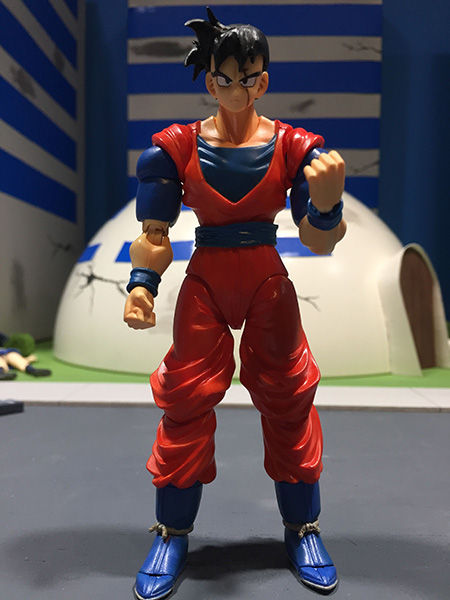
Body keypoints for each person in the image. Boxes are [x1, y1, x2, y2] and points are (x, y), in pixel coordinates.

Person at [124, 8, 346, 600]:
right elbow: (153, 233)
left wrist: (326, 207)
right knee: (185, 401)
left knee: (289, 397)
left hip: (267, 279)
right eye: (226, 78)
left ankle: (303, 529)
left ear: (263, 80)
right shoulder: (175, 148)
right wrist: (141, 286)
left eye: (248, 78)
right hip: (206, 279)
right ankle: (171, 532)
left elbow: (318, 241)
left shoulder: (294, 146)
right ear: (210, 81)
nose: (237, 89)